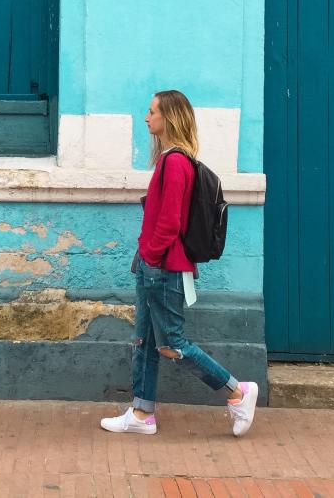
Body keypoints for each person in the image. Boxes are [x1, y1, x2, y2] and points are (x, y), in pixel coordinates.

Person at [100, 90, 259, 437]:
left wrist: (152, 258)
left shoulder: (175, 163)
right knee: (144, 340)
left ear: (168, 118)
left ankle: (237, 392)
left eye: (152, 111)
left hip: (163, 267)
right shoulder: (172, 160)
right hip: (153, 264)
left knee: (172, 344)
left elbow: (170, 222)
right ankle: (142, 414)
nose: (146, 118)